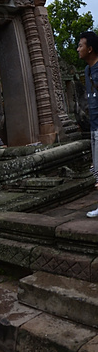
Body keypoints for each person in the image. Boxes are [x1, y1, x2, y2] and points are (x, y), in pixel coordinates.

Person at [77, 31, 98, 216]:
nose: (78, 49)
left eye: (80, 46)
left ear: (90, 49)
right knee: (96, 168)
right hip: (94, 126)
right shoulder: (87, 70)